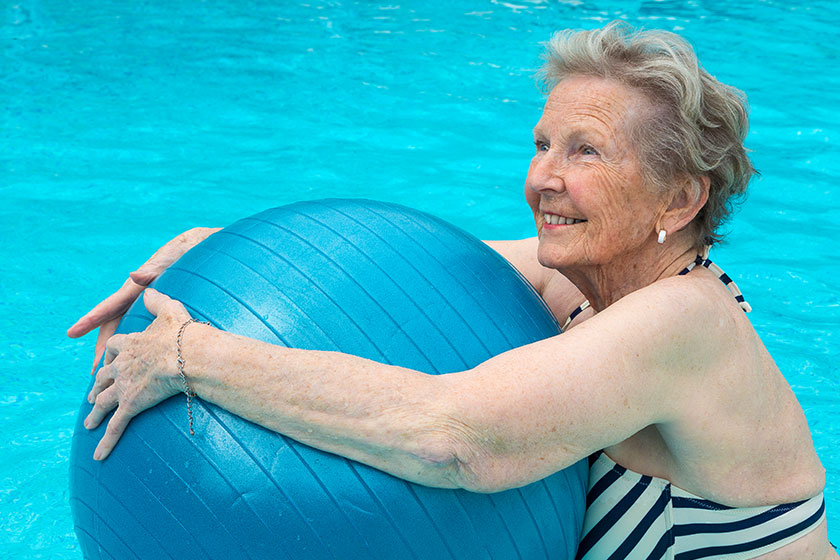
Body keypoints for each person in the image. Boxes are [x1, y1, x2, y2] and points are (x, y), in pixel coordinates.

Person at [67, 21, 837, 560]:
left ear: (678, 202)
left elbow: (459, 441)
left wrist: (190, 354)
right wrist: (221, 250)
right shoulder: (584, 283)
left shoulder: (684, 325)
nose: (545, 178)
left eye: (587, 151)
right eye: (542, 143)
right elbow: (370, 264)